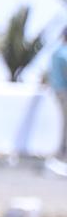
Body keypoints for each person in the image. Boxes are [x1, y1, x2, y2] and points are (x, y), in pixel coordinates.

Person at [44, 32, 67, 176]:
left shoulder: (56, 52)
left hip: (57, 90)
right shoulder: (63, 53)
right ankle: (62, 152)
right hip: (64, 91)